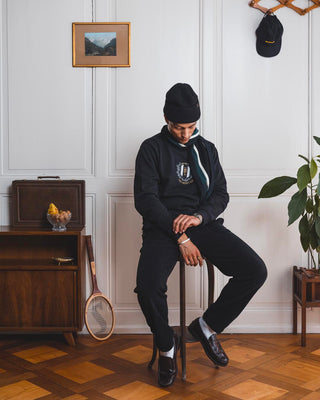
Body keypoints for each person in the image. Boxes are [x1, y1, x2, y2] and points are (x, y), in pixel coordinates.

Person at [134, 83, 267, 387]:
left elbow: (220, 194)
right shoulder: (151, 148)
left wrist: (198, 217)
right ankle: (168, 346)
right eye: (179, 127)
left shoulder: (206, 149)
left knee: (255, 270)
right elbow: (146, 199)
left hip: (201, 224)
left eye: (191, 126)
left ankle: (206, 327)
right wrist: (180, 236)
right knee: (147, 286)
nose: (185, 133)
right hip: (162, 229)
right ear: (167, 120)